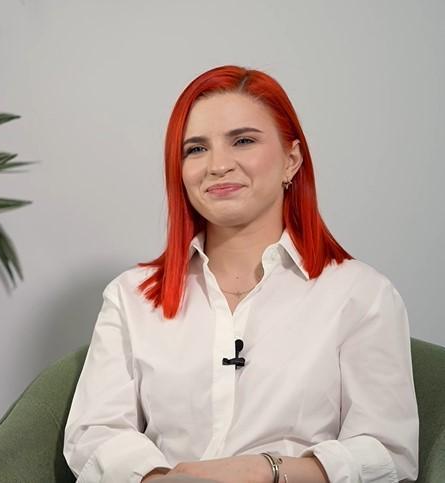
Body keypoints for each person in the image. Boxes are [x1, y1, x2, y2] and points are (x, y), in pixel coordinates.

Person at [62, 65, 419, 483]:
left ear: (291, 161)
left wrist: (266, 470)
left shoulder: (362, 294)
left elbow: (387, 453)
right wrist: (161, 480)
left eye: (243, 141)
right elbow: (95, 433)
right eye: (196, 149)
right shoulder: (131, 296)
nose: (217, 165)